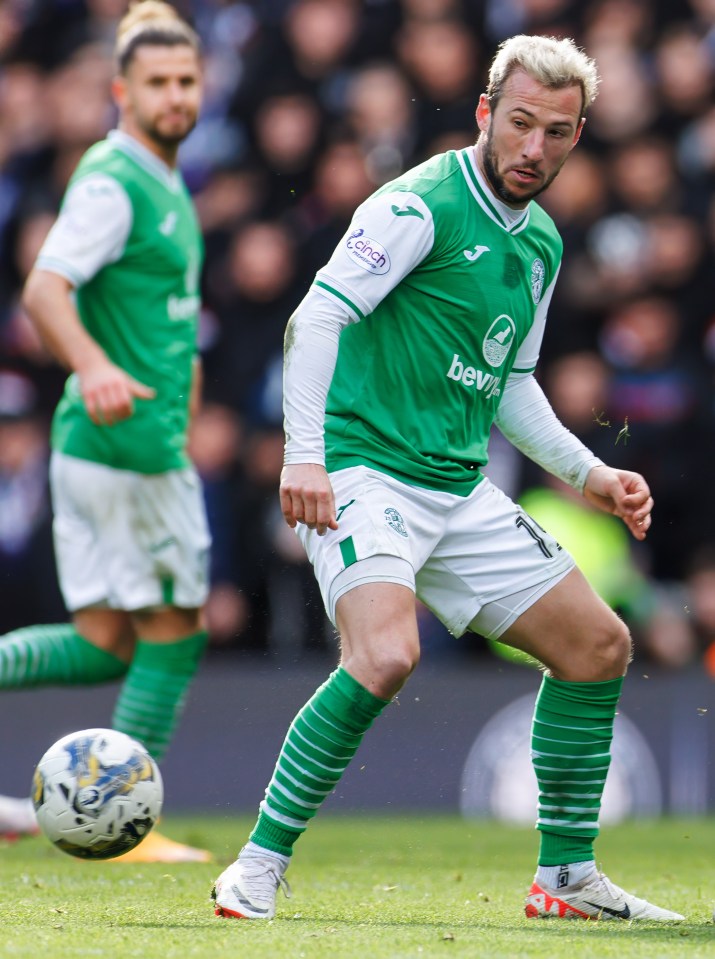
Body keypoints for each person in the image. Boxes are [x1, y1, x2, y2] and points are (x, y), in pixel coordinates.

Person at [212, 34, 685, 921]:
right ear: (483, 113)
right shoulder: (419, 204)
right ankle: (258, 862)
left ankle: (565, 878)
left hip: (455, 486)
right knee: (387, 654)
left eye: (556, 131)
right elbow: (315, 319)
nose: (533, 148)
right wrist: (303, 455)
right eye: (518, 124)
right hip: (362, 468)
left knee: (598, 647)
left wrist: (587, 472)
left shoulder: (538, 242)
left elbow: (507, 383)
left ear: (578, 134)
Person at [0, 1, 212, 863]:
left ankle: (98, 812)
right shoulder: (112, 181)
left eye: (187, 81)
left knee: (101, 644)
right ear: (121, 91)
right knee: (176, 627)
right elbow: (46, 288)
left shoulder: (161, 179)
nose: (175, 96)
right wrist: (91, 365)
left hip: (117, 445)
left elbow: (169, 322)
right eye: (157, 83)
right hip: (124, 448)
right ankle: (126, 825)